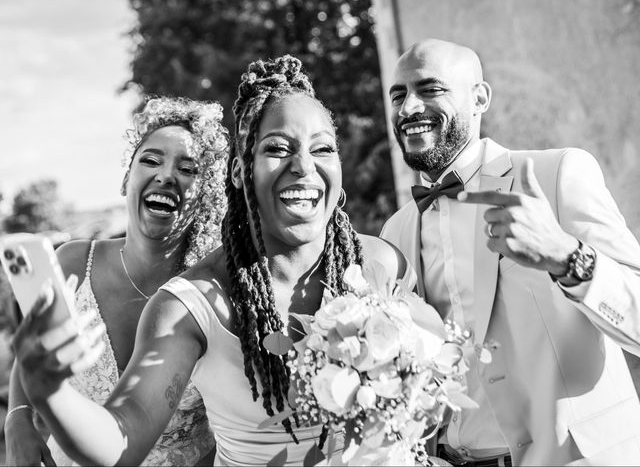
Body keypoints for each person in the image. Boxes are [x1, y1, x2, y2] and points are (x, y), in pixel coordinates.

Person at [10, 55, 411, 466]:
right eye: (277, 148)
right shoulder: (188, 305)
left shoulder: (384, 264)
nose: (303, 166)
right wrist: (44, 394)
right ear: (240, 172)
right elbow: (122, 439)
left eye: (323, 148)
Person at [380, 38, 640, 466]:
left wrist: (566, 256)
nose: (408, 108)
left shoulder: (558, 174)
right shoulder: (396, 230)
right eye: (398, 95)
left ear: (479, 97)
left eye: (430, 89)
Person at [4, 96, 229, 466]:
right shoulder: (74, 262)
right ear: (127, 180)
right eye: (151, 160)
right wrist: (18, 419)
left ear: (207, 197)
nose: (165, 175)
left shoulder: (213, 291)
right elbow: (31, 350)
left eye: (188, 168)